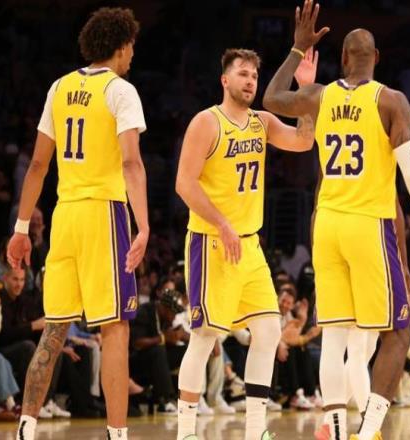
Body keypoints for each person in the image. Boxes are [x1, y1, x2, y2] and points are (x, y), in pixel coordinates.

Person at [263, 2, 410, 439]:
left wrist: (297, 49)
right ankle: (367, 435)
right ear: (377, 58)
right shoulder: (390, 100)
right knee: (398, 334)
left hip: (327, 224)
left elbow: (271, 98)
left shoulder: (320, 95)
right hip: (368, 224)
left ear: (344, 58)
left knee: (334, 337)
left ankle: (334, 430)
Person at [6, 7, 149, 440]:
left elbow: (37, 166)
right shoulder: (120, 90)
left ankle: (26, 428)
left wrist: (21, 228)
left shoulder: (60, 87)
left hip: (64, 215)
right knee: (115, 329)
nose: (132, 55)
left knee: (54, 328)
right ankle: (117, 434)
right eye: (131, 47)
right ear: (121, 46)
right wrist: (143, 225)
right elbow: (131, 163)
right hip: (103, 213)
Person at [175, 46, 315, 440]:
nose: (250, 81)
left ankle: (255, 431)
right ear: (225, 80)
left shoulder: (262, 122)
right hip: (211, 242)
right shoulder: (207, 122)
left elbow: (304, 141)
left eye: (254, 75)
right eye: (242, 73)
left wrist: (305, 92)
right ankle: (185, 433)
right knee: (204, 337)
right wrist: (221, 223)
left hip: (249, 246)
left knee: (268, 331)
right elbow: (184, 183)